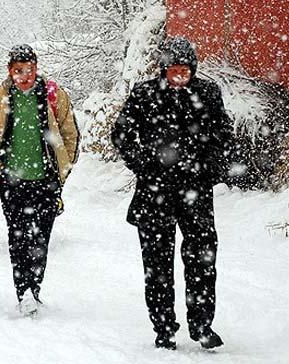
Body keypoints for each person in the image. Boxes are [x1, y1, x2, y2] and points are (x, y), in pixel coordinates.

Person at [111, 37, 233, 350]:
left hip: (196, 192)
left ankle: (202, 325)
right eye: (174, 70)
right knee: (157, 266)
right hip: (154, 194)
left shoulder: (207, 93)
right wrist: (143, 164)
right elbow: (122, 133)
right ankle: (163, 327)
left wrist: (211, 165)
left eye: (185, 70)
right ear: (164, 69)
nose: (180, 76)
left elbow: (223, 133)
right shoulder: (145, 93)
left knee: (202, 261)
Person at [0, 44, 80, 316]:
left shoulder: (52, 96)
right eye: (18, 70)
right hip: (11, 181)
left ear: (37, 68)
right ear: (10, 71)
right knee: (18, 237)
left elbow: (69, 132)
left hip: (45, 180)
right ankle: (23, 291)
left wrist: (62, 170)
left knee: (41, 238)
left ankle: (35, 288)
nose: (25, 76)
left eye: (29, 69)